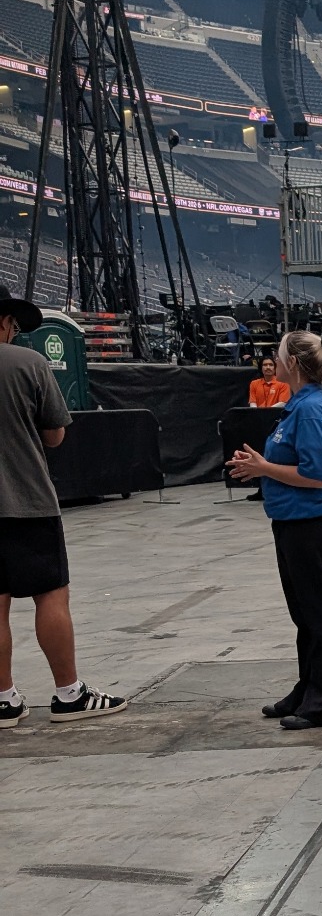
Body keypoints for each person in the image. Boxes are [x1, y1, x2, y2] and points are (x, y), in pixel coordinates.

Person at [0, 287, 128, 727]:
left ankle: (3, 700)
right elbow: (55, 435)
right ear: (4, 321)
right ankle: (69, 694)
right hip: (27, 500)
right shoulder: (29, 363)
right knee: (51, 596)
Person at [228, 330, 322, 730]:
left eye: (279, 357)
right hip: (293, 522)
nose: (274, 362)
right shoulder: (298, 406)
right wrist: (260, 466)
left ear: (293, 364)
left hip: (312, 524)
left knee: (321, 615)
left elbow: (316, 476)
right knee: (305, 615)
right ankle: (309, 689)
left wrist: (264, 468)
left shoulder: (311, 410)